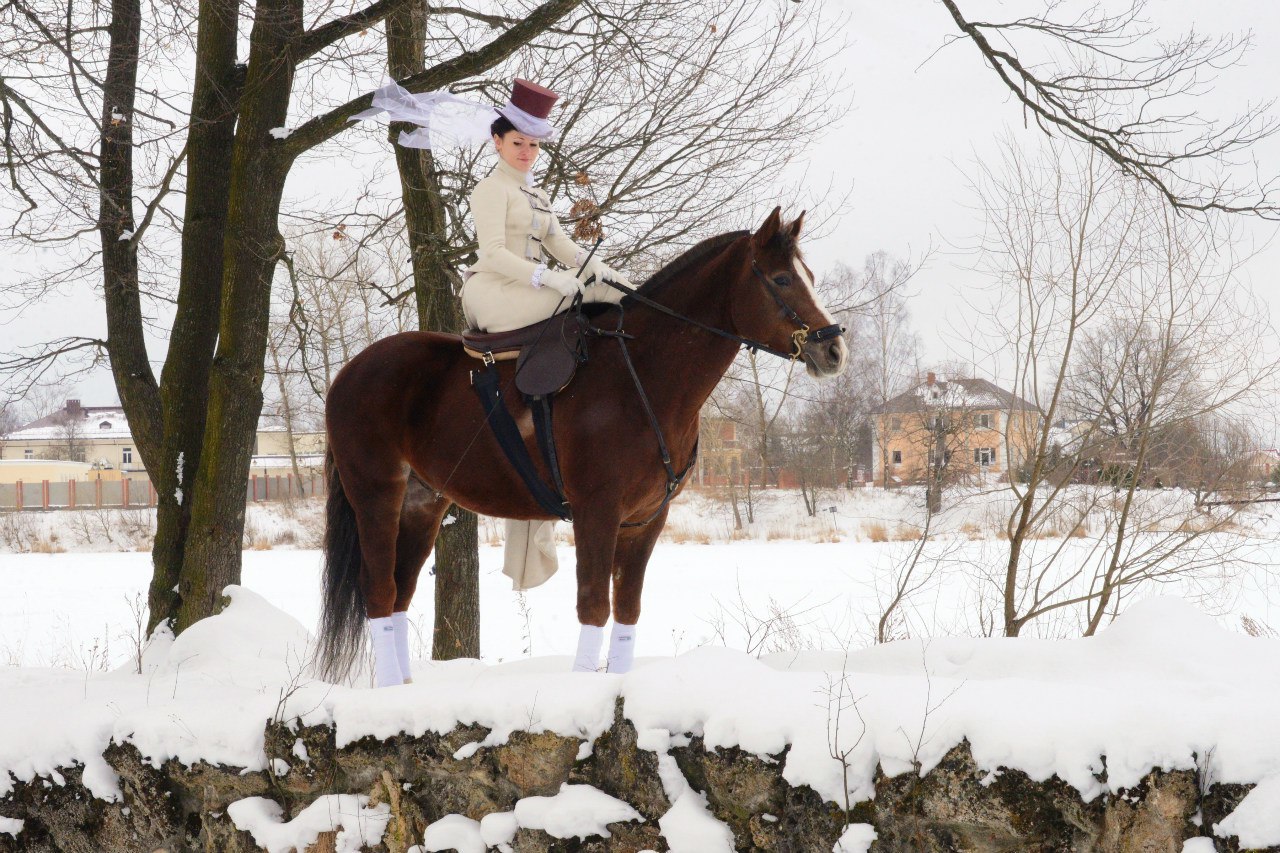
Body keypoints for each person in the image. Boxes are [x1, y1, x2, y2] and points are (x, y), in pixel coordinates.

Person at [353, 79, 632, 619]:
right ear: (498, 141)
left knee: (609, 303)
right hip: (498, 289)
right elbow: (494, 254)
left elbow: (565, 245)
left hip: (535, 285)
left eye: (534, 145)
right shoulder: (492, 189)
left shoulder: (536, 192)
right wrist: (550, 281)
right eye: (517, 143)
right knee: (579, 314)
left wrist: (606, 277)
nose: (526, 152)